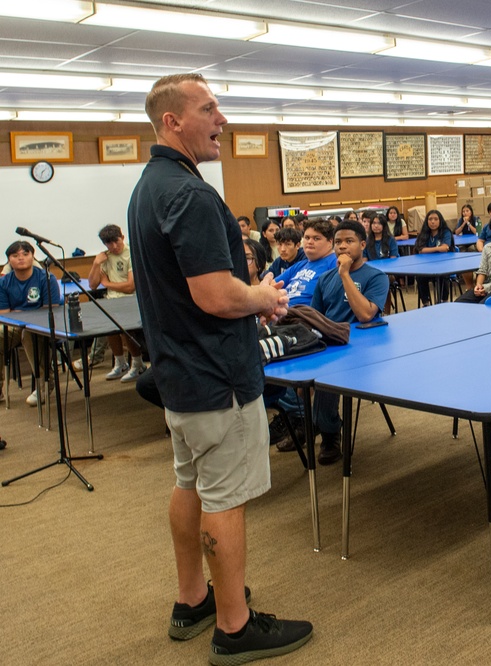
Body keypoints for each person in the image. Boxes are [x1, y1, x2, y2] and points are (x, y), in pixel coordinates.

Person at [127, 73, 311, 664]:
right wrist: (263, 295)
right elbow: (214, 295)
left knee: (190, 484)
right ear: (172, 122)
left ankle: (193, 599)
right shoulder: (191, 194)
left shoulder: (148, 186)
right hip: (218, 379)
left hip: (181, 375)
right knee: (224, 498)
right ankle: (234, 628)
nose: (222, 122)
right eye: (209, 110)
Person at [310, 219, 389, 465]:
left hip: (363, 347)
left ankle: (330, 434)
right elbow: (316, 318)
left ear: (363, 245)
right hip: (331, 342)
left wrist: (345, 274)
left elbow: (366, 313)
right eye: (338, 243)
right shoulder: (324, 279)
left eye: (349, 242)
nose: (342, 247)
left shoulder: (376, 277)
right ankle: (309, 423)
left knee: (327, 378)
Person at [0, 240, 62, 406]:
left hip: (42, 326)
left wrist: (21, 313)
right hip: (14, 326)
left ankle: (44, 384)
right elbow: (4, 314)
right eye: (15, 255)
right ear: (9, 260)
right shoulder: (4, 282)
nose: (21, 258)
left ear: (33, 256)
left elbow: (51, 309)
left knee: (28, 333)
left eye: (25, 254)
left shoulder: (46, 278)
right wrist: (26, 313)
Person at [86, 224, 146, 382]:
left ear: (122, 238)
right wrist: (96, 264)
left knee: (123, 328)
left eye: (116, 242)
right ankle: (120, 363)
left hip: (130, 300)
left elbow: (130, 286)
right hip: (112, 301)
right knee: (109, 327)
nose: (113, 247)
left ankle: (138, 364)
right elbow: (92, 285)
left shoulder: (131, 253)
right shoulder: (105, 257)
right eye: (109, 244)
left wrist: (107, 284)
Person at [273, 218, 339, 307]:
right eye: (307, 238)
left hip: (305, 315)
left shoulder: (335, 262)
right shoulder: (300, 265)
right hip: (282, 311)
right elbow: (272, 286)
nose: (310, 242)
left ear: (330, 242)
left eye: (316, 238)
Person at [413, 209, 453, 307]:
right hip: (426, 266)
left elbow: (445, 248)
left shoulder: (445, 232)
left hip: (443, 264)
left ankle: (443, 301)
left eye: (435, 219)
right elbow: (420, 250)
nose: (433, 221)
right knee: (420, 276)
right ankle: (426, 303)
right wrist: (437, 248)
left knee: (442, 275)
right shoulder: (423, 233)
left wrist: (428, 249)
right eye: (430, 219)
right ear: (427, 221)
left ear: (440, 221)